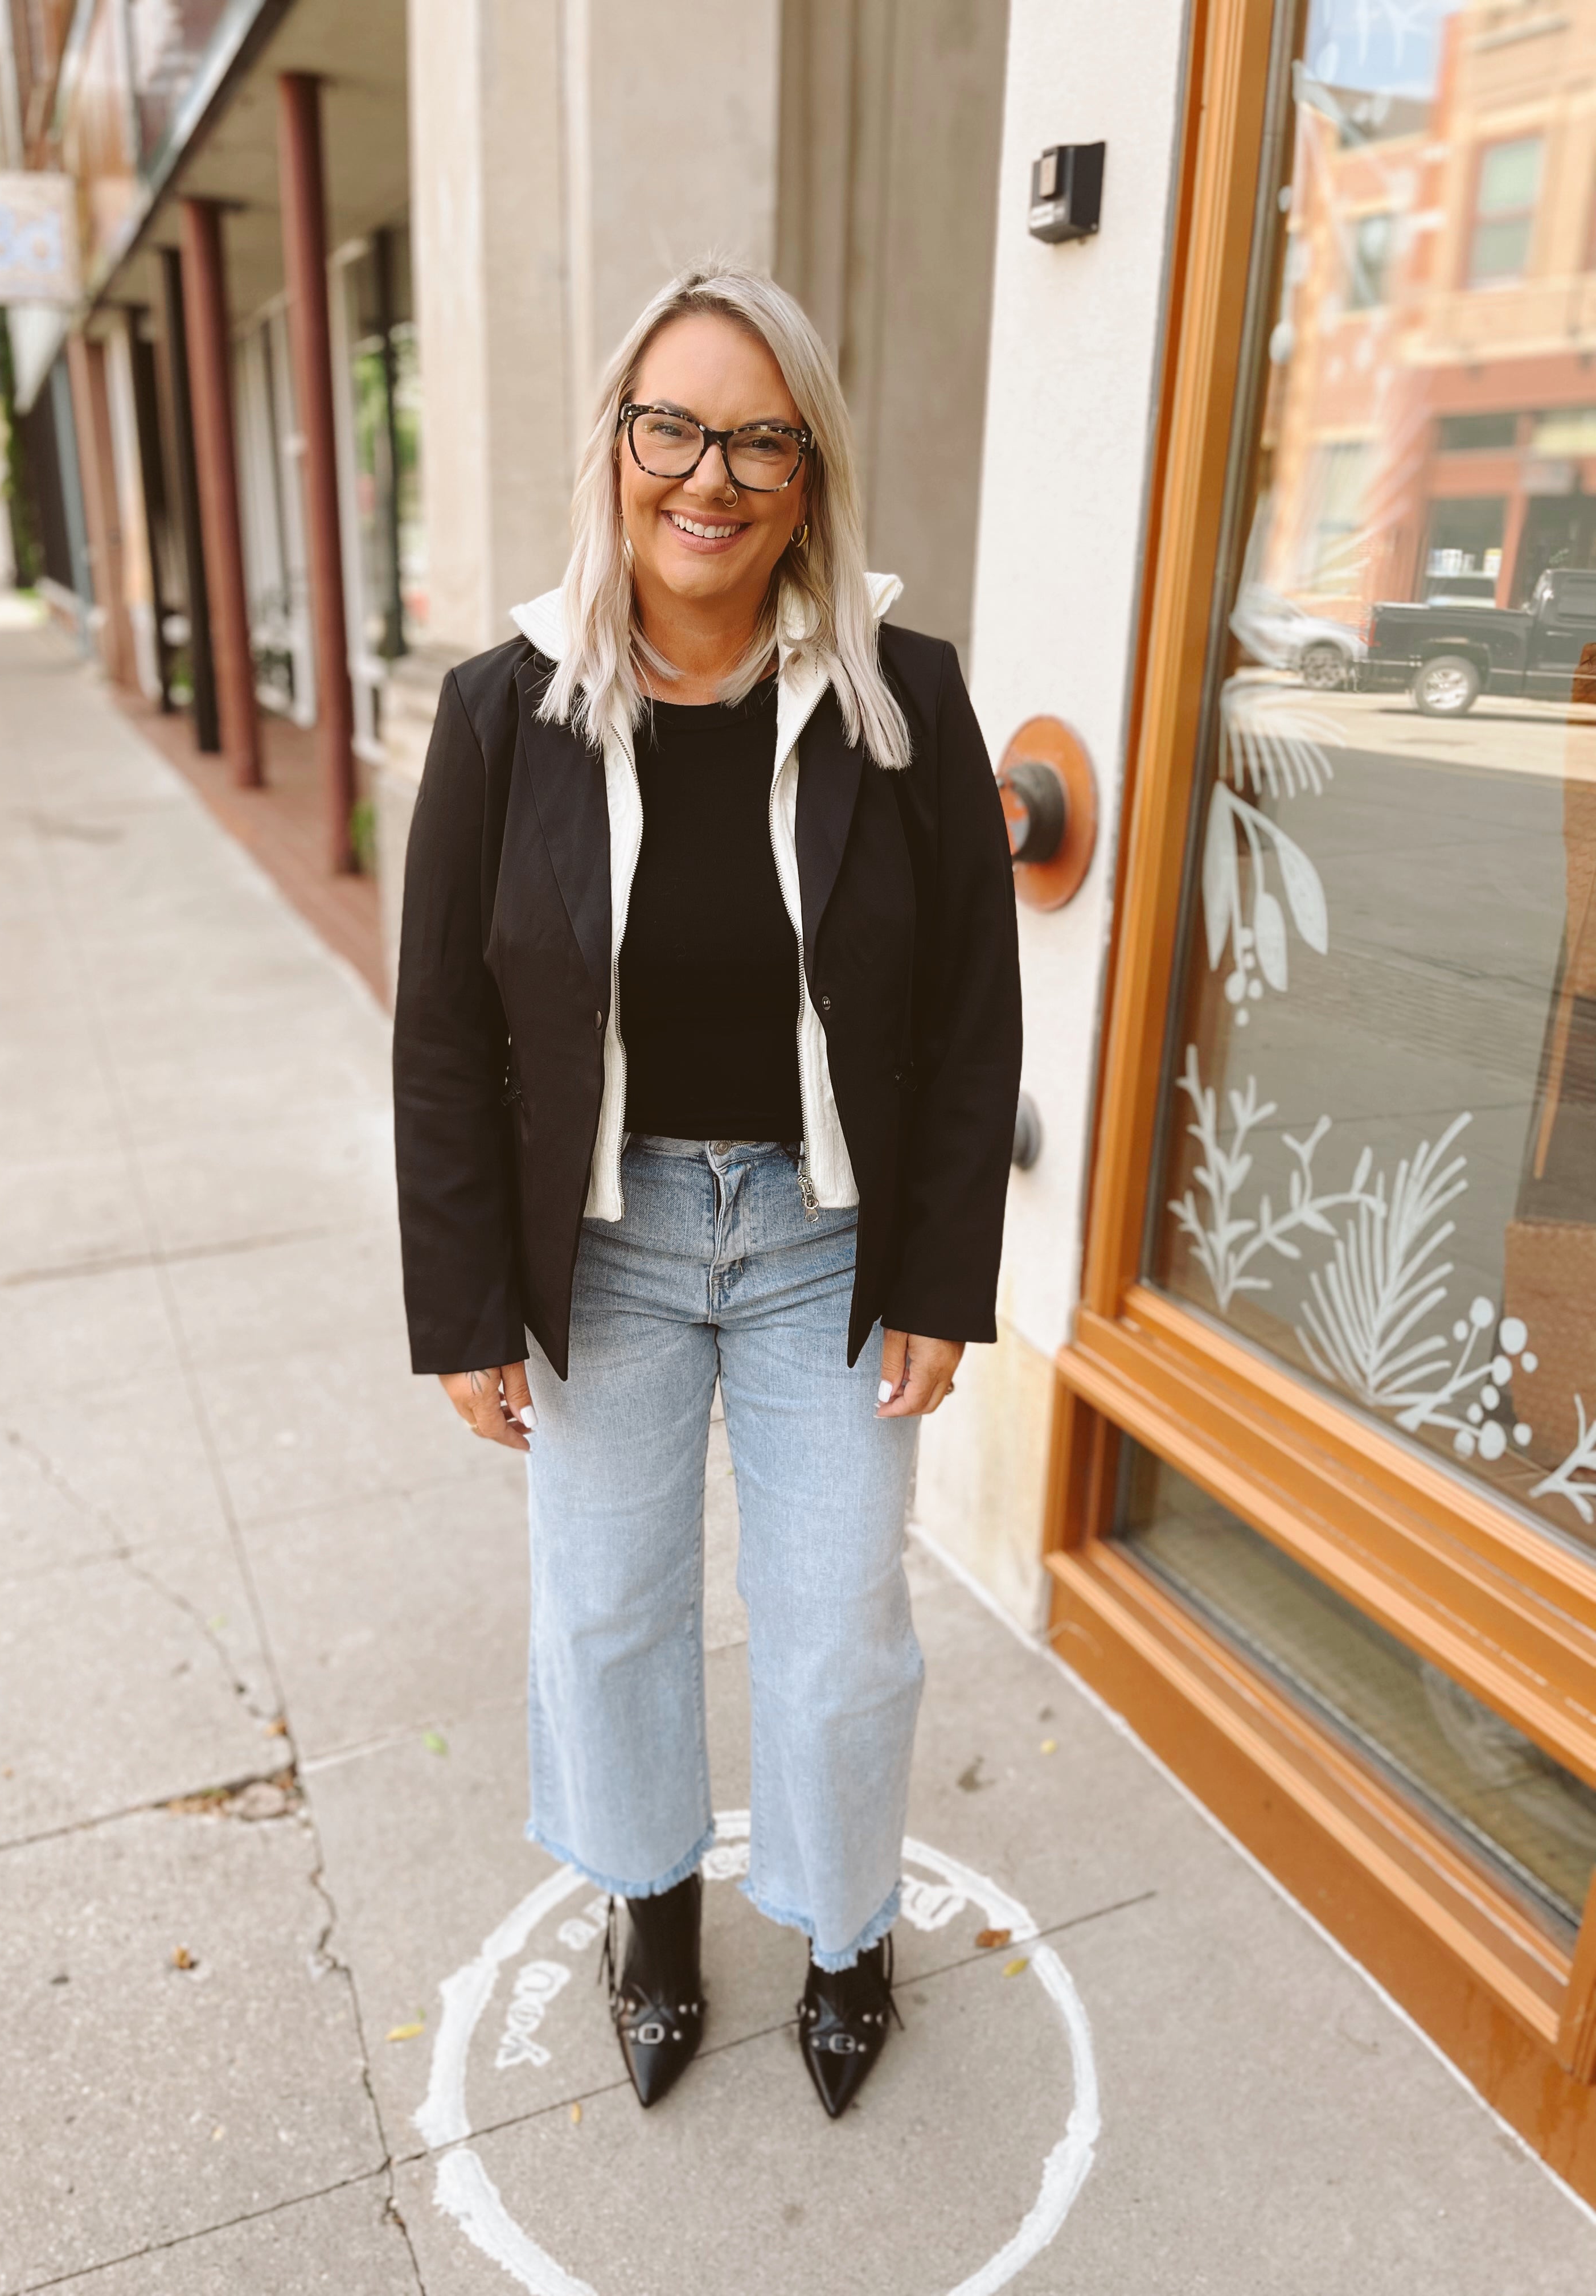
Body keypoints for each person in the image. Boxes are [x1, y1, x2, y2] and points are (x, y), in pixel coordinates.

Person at [393, 263, 1021, 2119]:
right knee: (607, 1616)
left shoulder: (903, 697)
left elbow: (975, 1016)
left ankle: (842, 1930)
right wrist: (462, 1306)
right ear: (615, 448)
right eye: (673, 427)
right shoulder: (508, 711)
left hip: (828, 1240)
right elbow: (441, 1031)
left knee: (840, 1633)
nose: (711, 476)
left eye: (761, 438)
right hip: (607, 1249)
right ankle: (649, 1912)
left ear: (809, 475)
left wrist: (937, 1276)